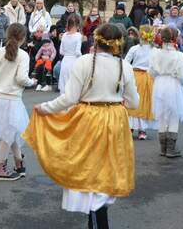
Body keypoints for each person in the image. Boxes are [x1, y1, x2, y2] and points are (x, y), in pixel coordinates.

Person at [23, 23, 139, 228]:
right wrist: (114, 99)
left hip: (89, 119)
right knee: (106, 171)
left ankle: (97, 223)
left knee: (89, 170)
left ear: (96, 39)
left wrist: (45, 108)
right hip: (116, 120)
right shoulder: (124, 66)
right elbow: (134, 103)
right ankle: (96, 220)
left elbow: (69, 98)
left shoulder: (85, 62)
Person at [0, 23, 36, 180]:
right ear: (23, 38)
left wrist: (2, 74)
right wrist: (32, 82)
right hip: (11, 98)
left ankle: (19, 162)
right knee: (8, 132)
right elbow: (21, 78)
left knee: (12, 130)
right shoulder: (23, 55)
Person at [149, 27, 183, 158]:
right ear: (175, 38)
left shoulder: (155, 53)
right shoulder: (179, 55)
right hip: (173, 84)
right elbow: (182, 75)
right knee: (173, 115)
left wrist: (159, 76)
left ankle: (163, 147)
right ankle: (171, 149)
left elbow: (151, 71)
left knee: (161, 115)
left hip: (160, 83)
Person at [125, 25, 157, 140]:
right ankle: (141, 130)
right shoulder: (154, 50)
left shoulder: (135, 49)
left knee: (133, 101)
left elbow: (126, 62)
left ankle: (132, 128)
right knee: (144, 103)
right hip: (147, 78)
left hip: (137, 76)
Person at [58, 15, 82, 95]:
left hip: (65, 61)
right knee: (73, 83)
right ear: (78, 25)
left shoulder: (64, 35)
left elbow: (61, 51)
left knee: (64, 82)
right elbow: (77, 52)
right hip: (74, 61)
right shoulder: (78, 36)